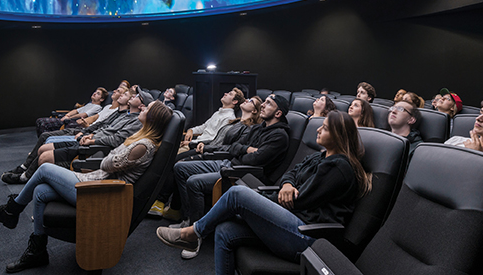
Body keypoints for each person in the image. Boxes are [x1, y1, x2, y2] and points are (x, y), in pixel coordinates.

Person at [155, 111, 372, 272]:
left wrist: (259, 200)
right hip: (290, 222)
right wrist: (286, 185)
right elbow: (292, 173)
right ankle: (197, 233)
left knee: (237, 195)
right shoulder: (320, 156)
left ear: (338, 134)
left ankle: (192, 234)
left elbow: (301, 200)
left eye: (324, 127)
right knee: (225, 230)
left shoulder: (339, 167)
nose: (317, 129)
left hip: (307, 235)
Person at [0, 101, 174, 273]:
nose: (143, 108)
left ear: (153, 118)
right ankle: (37, 252)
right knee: (40, 191)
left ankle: (12, 211)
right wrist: (114, 153)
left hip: (100, 193)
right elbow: (111, 159)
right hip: (97, 182)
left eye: (147, 108)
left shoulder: (143, 145)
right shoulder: (139, 138)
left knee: (44, 169)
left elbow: (107, 164)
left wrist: (114, 153)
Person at [170, 94, 291, 255]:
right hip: (229, 163)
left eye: (268, 103)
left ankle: (194, 236)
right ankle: (187, 219)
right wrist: (245, 149)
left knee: (194, 182)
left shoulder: (279, 136)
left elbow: (255, 160)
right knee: (180, 168)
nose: (263, 105)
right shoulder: (258, 128)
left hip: (240, 174)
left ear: (278, 113)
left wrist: (243, 151)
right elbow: (235, 146)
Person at [152, 96, 264, 219]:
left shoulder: (248, 128)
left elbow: (231, 147)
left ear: (254, 110)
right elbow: (219, 139)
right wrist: (193, 134)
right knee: (177, 162)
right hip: (210, 149)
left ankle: (176, 209)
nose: (247, 100)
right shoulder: (236, 122)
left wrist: (204, 147)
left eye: (251, 101)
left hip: (215, 154)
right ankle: (171, 206)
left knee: (179, 164)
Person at [1, 85, 134, 184]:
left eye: (123, 93)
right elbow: (99, 123)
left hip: (89, 142)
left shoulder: (126, 117)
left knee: (46, 143)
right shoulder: (112, 110)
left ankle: (27, 174)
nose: (117, 92)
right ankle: (26, 169)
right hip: (85, 133)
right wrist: (84, 130)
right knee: (45, 143)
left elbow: (113, 137)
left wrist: (89, 135)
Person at [180, 88, 245, 150]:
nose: (225, 93)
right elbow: (204, 127)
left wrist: (192, 143)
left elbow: (215, 140)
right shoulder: (217, 113)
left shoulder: (229, 118)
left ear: (234, 101)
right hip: (195, 142)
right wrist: (191, 130)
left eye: (230, 94)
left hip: (200, 147)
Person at [34, 87, 107, 136]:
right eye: (95, 92)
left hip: (73, 122)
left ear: (101, 99)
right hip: (69, 119)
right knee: (39, 121)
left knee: (43, 123)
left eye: (98, 93)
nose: (94, 93)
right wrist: (67, 115)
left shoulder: (97, 107)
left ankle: (43, 145)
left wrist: (69, 118)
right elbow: (76, 110)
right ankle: (42, 144)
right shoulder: (89, 104)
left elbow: (83, 115)